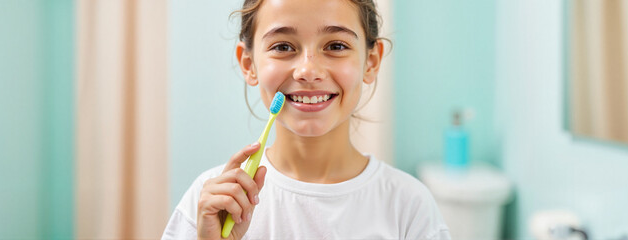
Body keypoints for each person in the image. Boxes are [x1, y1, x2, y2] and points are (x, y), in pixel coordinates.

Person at [162, 0, 451, 239]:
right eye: (283, 47)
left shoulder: (409, 205)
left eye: (336, 46)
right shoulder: (214, 203)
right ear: (249, 64)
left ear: (371, 61)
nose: (308, 71)